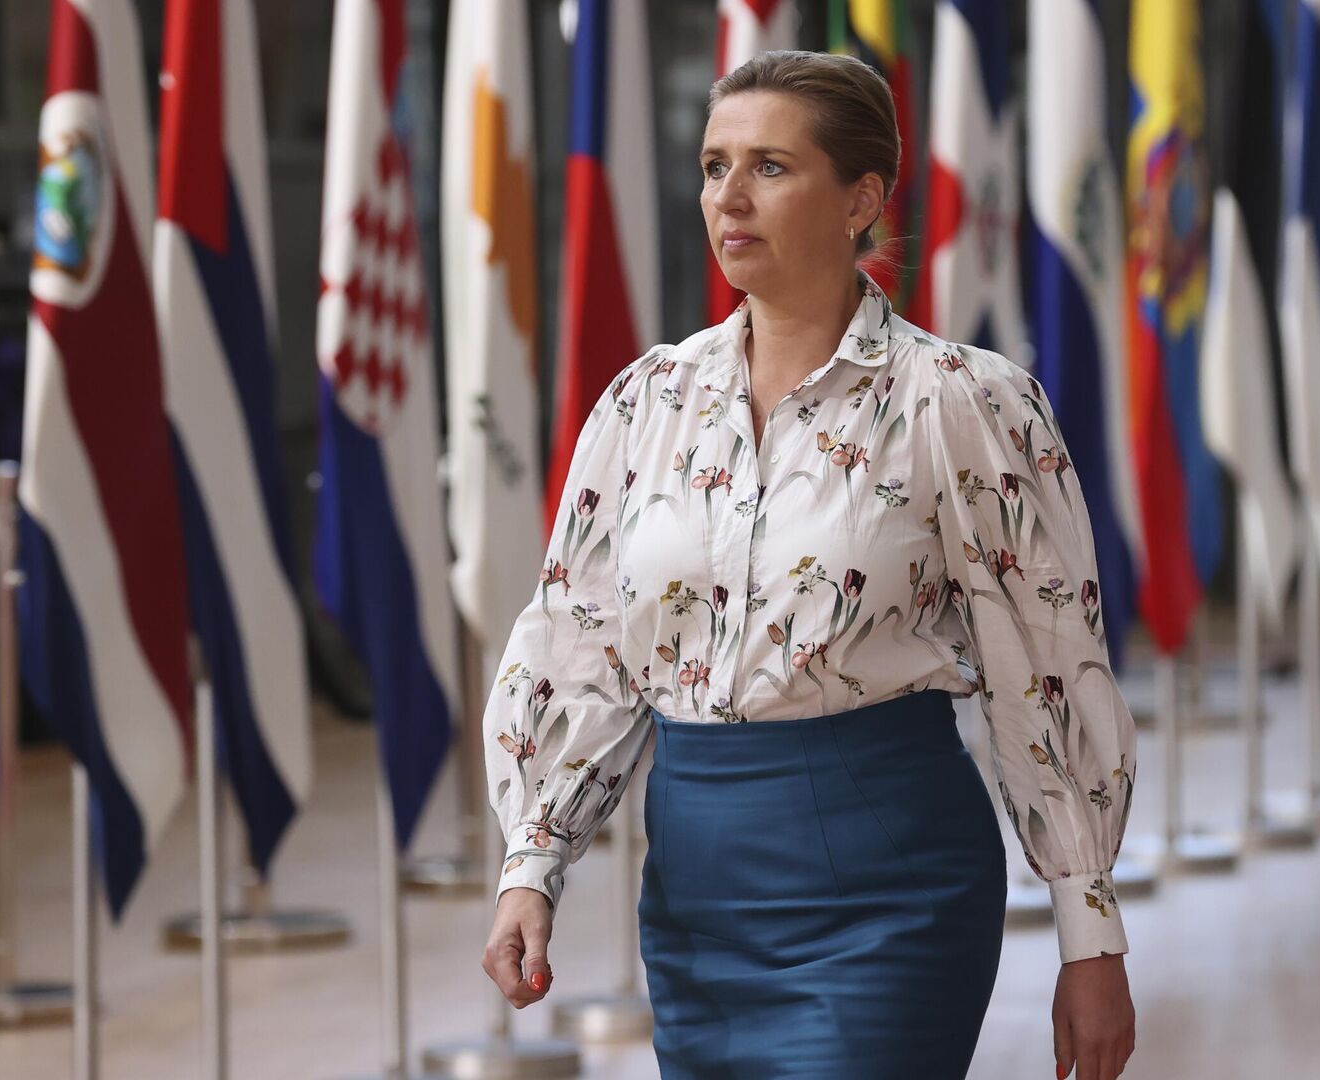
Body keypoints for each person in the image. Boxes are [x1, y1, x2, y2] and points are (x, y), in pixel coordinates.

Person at [481, 51, 1137, 1079]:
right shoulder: (645, 404)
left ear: (861, 200)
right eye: (714, 166)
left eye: (771, 167)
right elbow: (582, 645)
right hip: (696, 901)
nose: (728, 197)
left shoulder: (959, 400)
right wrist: (534, 863)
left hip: (891, 892)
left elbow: (1046, 666)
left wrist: (1089, 933)